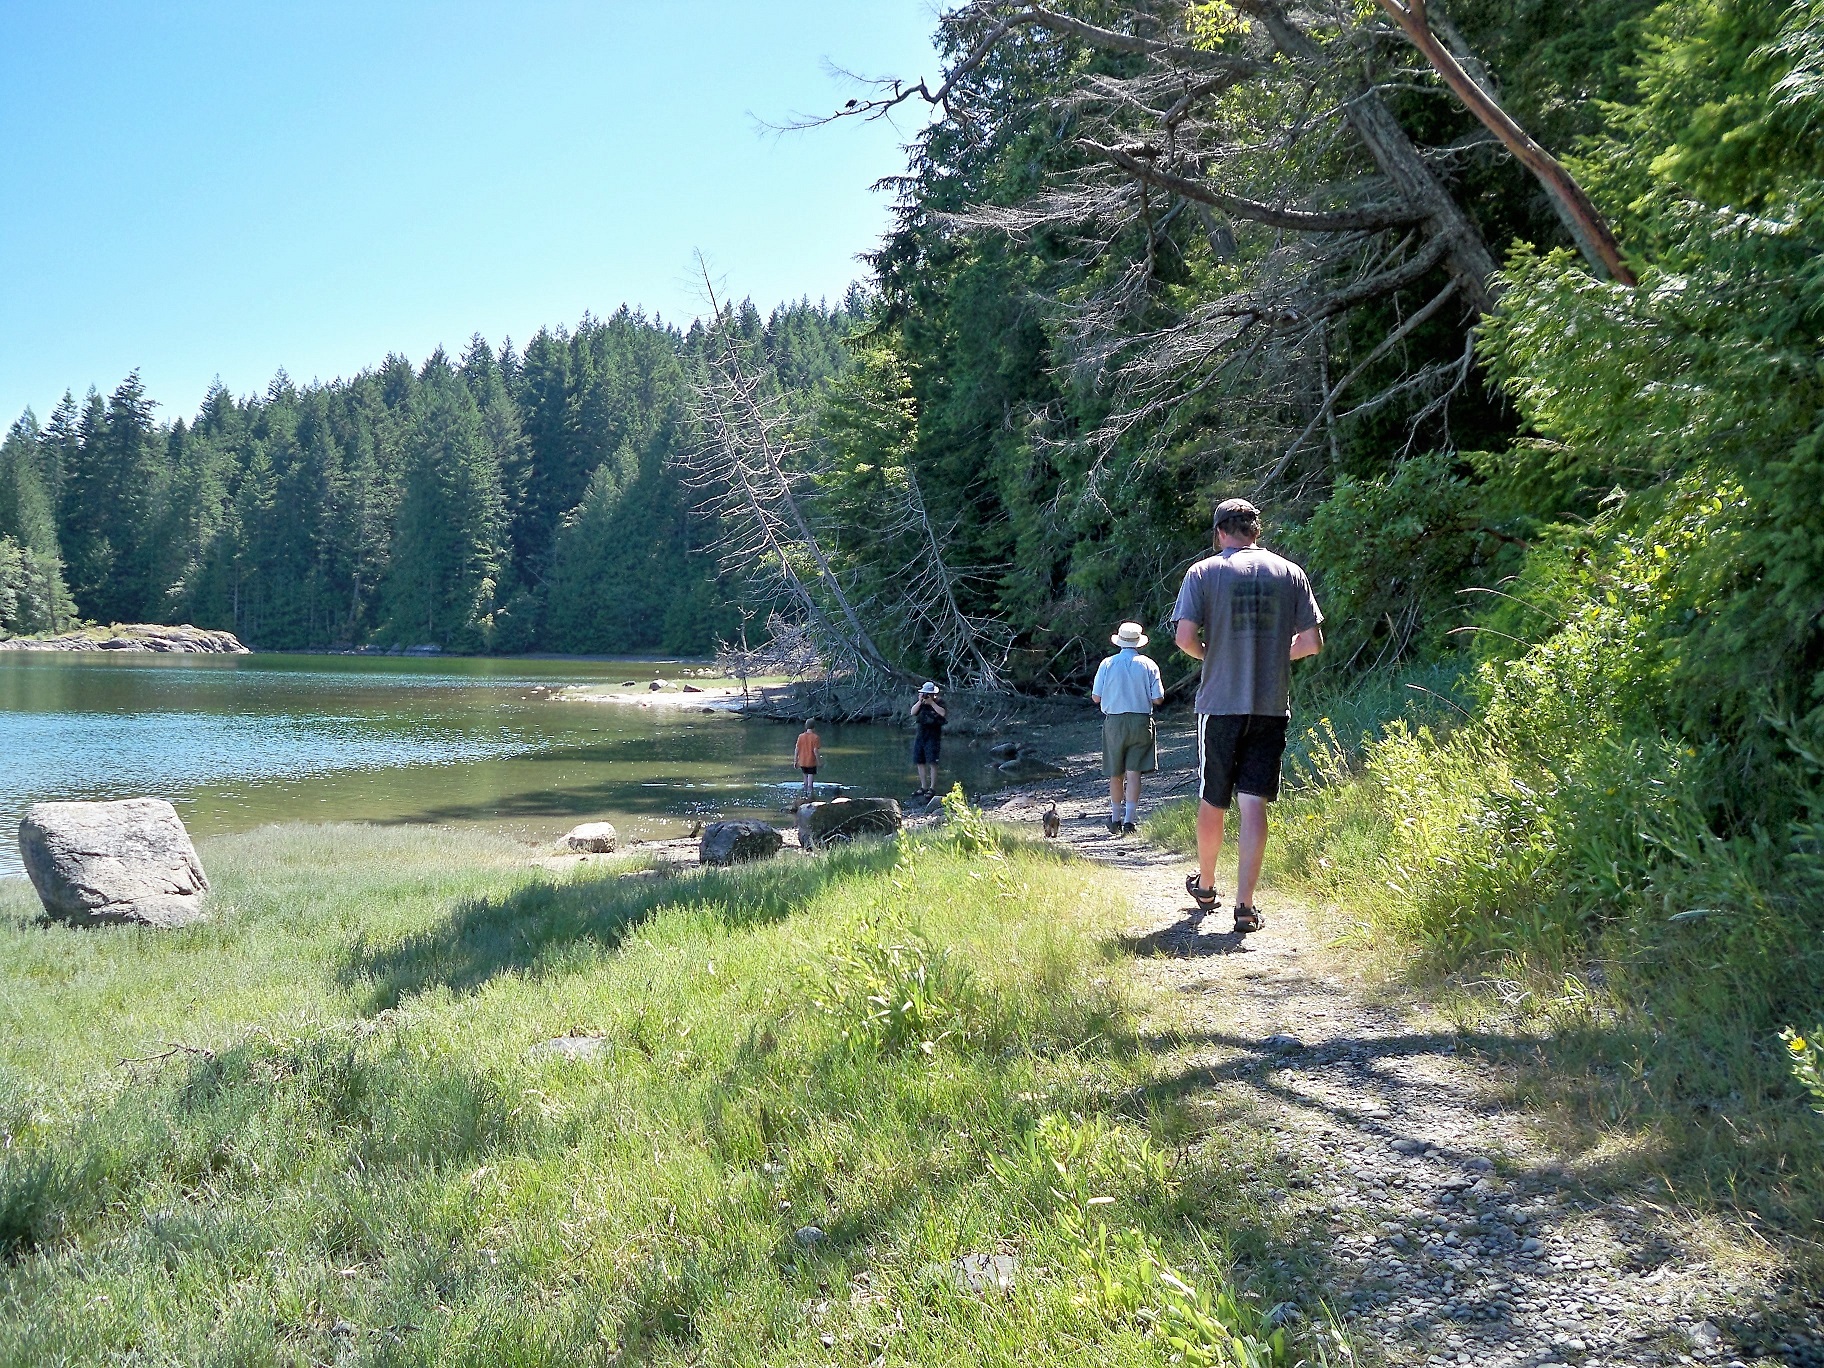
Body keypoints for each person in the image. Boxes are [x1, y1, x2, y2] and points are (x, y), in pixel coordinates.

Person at [1173, 497, 1323, 933]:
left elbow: (1184, 637)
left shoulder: (1203, 572)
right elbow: (1312, 642)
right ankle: (1246, 906)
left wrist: (1210, 655)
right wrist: (1278, 655)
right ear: (1256, 530)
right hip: (1270, 706)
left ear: (1220, 533)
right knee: (1253, 801)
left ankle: (1206, 884)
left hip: (1220, 704)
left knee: (1213, 796)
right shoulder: (1289, 572)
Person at [1092, 621, 1165, 836]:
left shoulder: (1107, 663)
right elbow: (1158, 698)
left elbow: (1096, 697)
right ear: (1138, 643)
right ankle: (1129, 821)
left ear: (1120, 641)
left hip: (1114, 722)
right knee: (1134, 773)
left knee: (1115, 772)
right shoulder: (1149, 664)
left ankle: (1114, 818)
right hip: (1141, 721)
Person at [910, 681, 947, 796]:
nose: (926, 695)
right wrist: (920, 701)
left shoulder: (939, 703)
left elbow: (943, 713)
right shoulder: (921, 704)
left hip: (933, 735)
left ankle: (932, 788)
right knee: (919, 761)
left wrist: (932, 703)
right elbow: (912, 712)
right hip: (921, 734)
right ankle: (923, 787)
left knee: (932, 762)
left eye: (928, 694)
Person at [795, 720, 822, 800]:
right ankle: (810, 798)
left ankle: (804, 797)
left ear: (806, 726)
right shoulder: (815, 737)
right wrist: (819, 762)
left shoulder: (800, 736)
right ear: (814, 727)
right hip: (811, 762)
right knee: (810, 784)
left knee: (805, 782)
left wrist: (795, 760)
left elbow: (797, 749)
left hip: (802, 762)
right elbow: (815, 751)